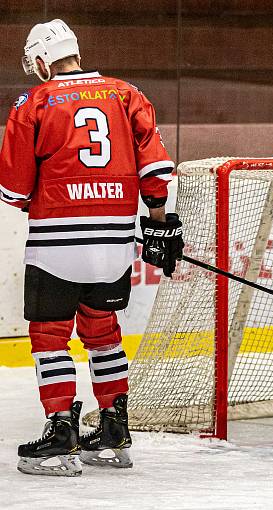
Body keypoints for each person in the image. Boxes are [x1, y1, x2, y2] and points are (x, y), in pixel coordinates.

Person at [0, 19, 184, 476]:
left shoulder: (35, 102)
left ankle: (61, 431)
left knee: (49, 337)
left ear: (42, 60)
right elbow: (157, 172)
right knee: (102, 333)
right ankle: (113, 430)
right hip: (116, 243)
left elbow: (13, 188)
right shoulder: (125, 93)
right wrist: (159, 224)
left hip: (56, 244)